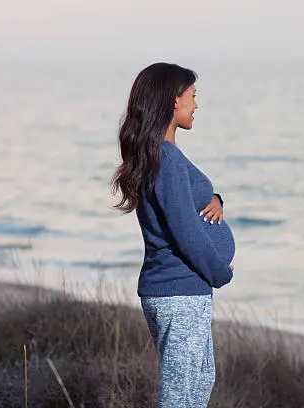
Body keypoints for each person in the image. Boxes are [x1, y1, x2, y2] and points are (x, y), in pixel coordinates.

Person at [111, 62, 235, 407]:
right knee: (180, 393)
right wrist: (219, 272)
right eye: (192, 96)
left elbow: (181, 204)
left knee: (199, 382)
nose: (196, 105)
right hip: (180, 293)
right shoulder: (166, 160)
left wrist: (215, 198)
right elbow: (185, 230)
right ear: (172, 102)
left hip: (180, 291)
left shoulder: (161, 158)